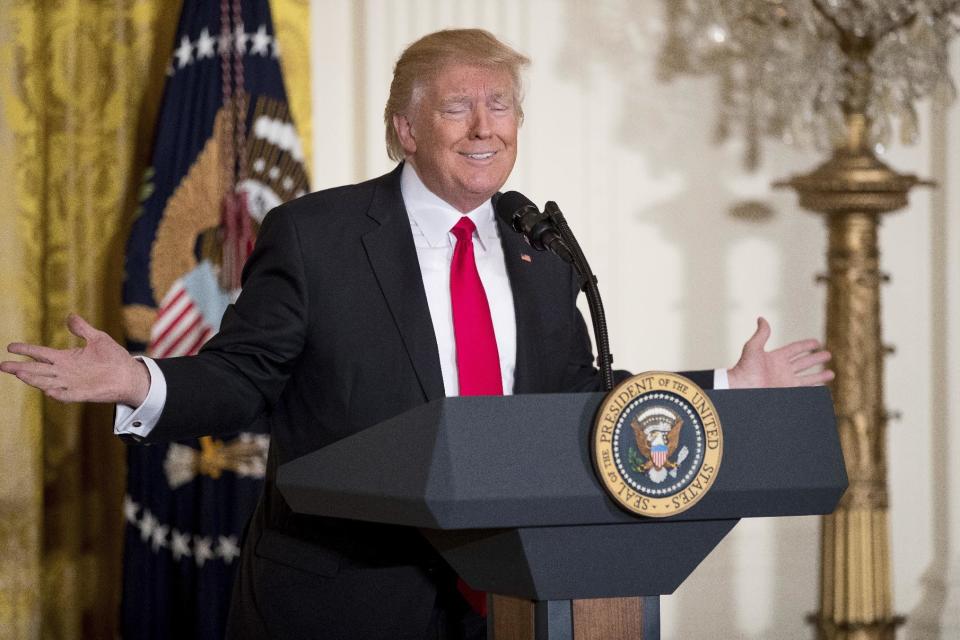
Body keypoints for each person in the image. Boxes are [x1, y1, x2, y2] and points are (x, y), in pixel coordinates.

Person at [1, 29, 832, 640]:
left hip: (517, 593)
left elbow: (580, 400)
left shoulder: (536, 244)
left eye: (500, 105)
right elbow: (247, 376)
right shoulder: (316, 234)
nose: (485, 126)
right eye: (458, 106)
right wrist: (141, 382)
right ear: (405, 126)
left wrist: (726, 387)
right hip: (343, 599)